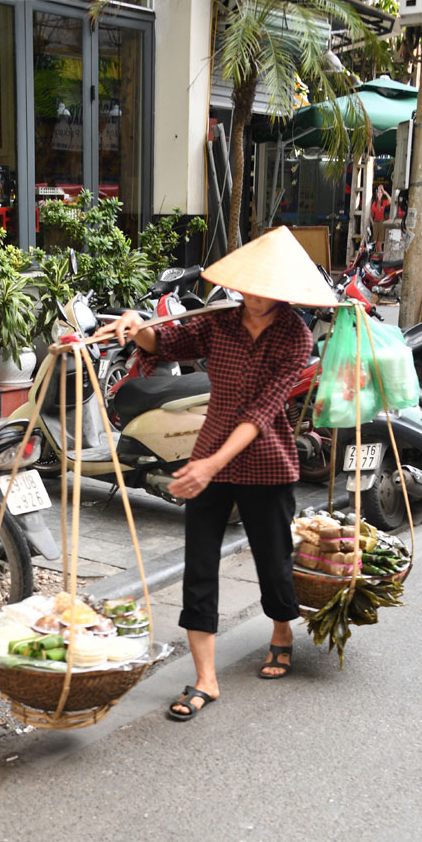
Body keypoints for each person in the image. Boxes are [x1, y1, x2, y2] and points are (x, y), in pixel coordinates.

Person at [95, 226, 336, 721]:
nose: (255, 293)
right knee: (199, 564)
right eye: (249, 283)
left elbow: (263, 411)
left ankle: (282, 627)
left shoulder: (296, 336)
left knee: (273, 558)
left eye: (267, 286)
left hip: (266, 460)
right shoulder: (219, 322)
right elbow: (165, 340)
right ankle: (206, 677)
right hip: (209, 459)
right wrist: (134, 326)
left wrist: (207, 464)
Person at [370, 183, 391, 255]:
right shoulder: (374, 203)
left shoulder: (384, 202)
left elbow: (390, 201)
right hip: (376, 223)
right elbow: (371, 215)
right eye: (378, 193)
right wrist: (372, 223)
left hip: (382, 223)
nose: (379, 194)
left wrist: (385, 192)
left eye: (380, 193)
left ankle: (379, 256)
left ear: (382, 194)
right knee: (376, 242)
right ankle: (378, 256)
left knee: (379, 242)